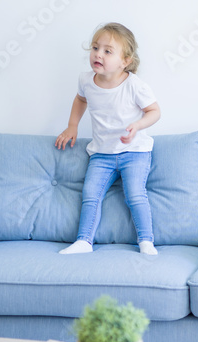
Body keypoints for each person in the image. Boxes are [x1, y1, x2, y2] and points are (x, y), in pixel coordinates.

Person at [55, 22, 161, 255]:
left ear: (126, 61)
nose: (98, 54)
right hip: (102, 154)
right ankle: (84, 241)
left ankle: (146, 240)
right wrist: (72, 126)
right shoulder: (86, 80)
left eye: (107, 51)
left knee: (135, 194)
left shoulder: (134, 85)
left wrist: (137, 125)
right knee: (91, 194)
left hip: (135, 152)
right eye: (95, 48)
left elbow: (155, 111)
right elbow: (80, 100)